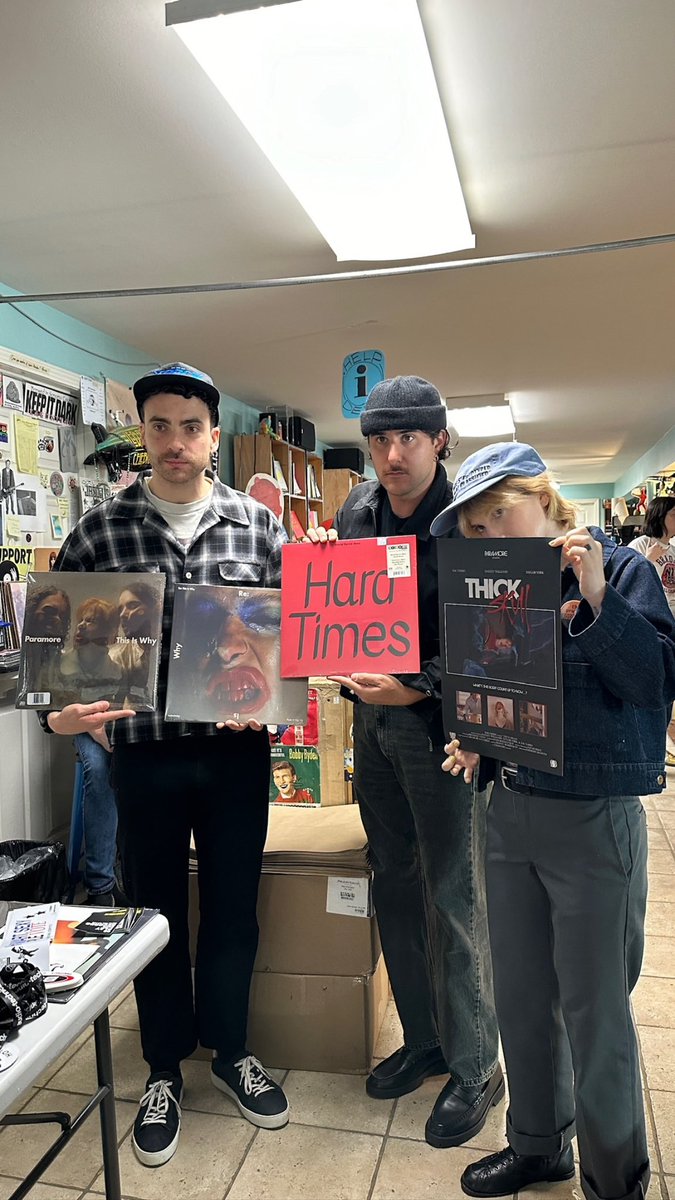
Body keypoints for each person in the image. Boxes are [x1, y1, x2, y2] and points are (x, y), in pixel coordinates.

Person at [39, 362, 290, 1168]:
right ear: (140, 435)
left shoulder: (259, 528)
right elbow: (54, 656)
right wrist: (60, 714)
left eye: (191, 427)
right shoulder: (99, 531)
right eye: (159, 427)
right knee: (153, 918)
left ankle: (230, 1051)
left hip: (234, 755)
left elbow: (296, 639)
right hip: (142, 757)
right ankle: (160, 1069)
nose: (175, 442)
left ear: (213, 436)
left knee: (231, 909)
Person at [431, 441, 675, 1200]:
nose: (489, 536)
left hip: (593, 820)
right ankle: (538, 1145)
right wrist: (477, 737)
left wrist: (599, 599)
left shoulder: (622, 568)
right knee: (521, 994)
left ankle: (614, 1178)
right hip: (509, 811)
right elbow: (498, 688)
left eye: (499, 514)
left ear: (545, 499)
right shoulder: (493, 588)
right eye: (473, 528)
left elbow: (653, 683)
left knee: (595, 1009)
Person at [307, 376, 500, 1147]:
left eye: (408, 439)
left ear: (438, 440)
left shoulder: (469, 518)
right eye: (380, 440)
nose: (392, 454)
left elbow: (495, 636)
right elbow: (346, 607)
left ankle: (476, 1062)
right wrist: (319, 576)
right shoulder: (356, 509)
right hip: (371, 731)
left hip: (440, 732)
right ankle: (423, 1040)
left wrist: (418, 686)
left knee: (454, 896)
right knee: (392, 882)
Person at [629, 494, 675, 765]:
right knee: (654, 687)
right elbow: (634, 590)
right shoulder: (640, 545)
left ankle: (663, 745)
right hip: (652, 627)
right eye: (673, 514)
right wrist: (648, 560)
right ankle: (653, 748)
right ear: (660, 515)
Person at [58, 597, 125, 706]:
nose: (81, 625)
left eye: (91, 621)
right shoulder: (57, 665)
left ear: (107, 631)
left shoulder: (118, 672)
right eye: (80, 620)